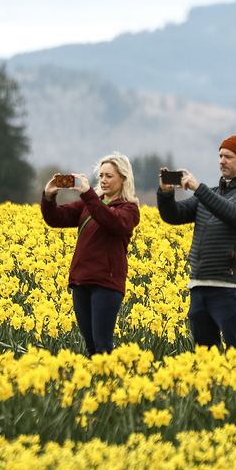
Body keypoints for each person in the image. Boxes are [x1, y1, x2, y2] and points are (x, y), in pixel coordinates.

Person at [157, 134, 236, 352]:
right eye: (220, 156)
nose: (221, 161)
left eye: (228, 156)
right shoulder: (211, 194)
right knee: (206, 354)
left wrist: (199, 189)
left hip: (229, 286)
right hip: (200, 284)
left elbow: (234, 214)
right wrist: (166, 194)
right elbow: (174, 216)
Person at [41, 152, 141, 355]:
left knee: (102, 345)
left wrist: (89, 195)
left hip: (106, 284)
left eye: (109, 176)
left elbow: (112, 221)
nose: (103, 180)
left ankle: (109, 382)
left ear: (123, 178)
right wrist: (49, 196)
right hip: (81, 281)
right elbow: (56, 218)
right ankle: (96, 383)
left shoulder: (129, 209)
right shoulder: (89, 205)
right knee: (91, 347)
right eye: (101, 176)